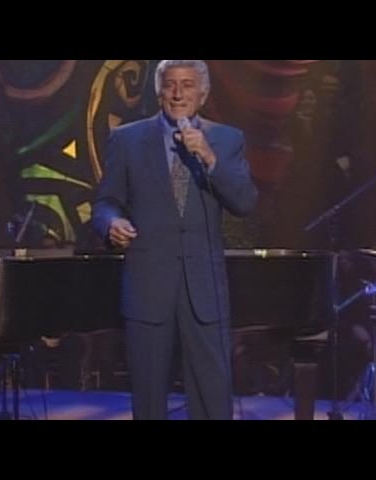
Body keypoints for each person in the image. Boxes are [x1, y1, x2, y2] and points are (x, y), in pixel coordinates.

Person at [91, 60, 257, 420]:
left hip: (205, 288)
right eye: (170, 85)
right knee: (148, 396)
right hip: (148, 284)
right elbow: (104, 203)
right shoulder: (127, 139)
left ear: (203, 94)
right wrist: (111, 222)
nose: (178, 93)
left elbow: (244, 202)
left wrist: (209, 157)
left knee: (213, 398)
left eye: (188, 85)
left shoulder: (227, 140)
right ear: (159, 92)